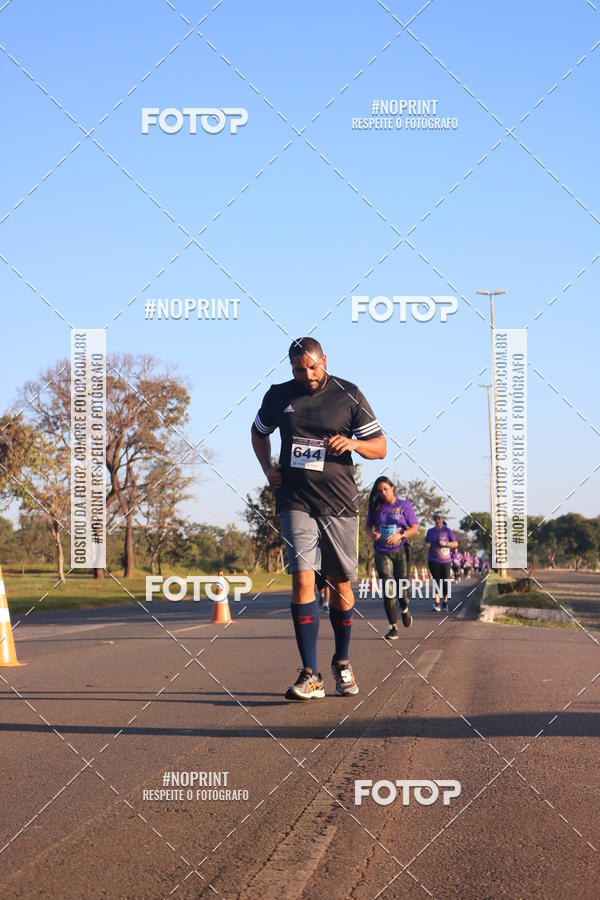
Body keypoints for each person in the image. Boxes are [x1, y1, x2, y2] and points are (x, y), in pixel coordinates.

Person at [251, 337, 386, 701]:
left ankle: (342, 662)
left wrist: (353, 444)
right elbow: (258, 432)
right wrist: (268, 469)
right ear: (291, 367)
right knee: (302, 580)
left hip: (339, 503)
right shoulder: (279, 395)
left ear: (324, 360)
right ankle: (310, 674)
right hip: (295, 500)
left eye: (312, 367)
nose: (307, 375)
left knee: (342, 586)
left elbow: (380, 447)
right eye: (299, 369)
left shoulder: (349, 393)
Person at [366, 476, 419, 640]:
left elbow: (415, 528)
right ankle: (393, 627)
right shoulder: (376, 508)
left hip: (400, 550)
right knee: (388, 588)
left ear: (392, 487)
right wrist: (373, 534)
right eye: (379, 491)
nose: (383, 493)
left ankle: (404, 608)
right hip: (382, 551)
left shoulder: (404, 505)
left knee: (402, 588)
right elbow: (369, 526)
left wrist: (401, 534)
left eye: (385, 489)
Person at [425, 514, 457, 612]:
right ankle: (437, 603)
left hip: (446, 561)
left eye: (439, 518)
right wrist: (427, 544)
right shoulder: (430, 531)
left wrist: (446, 544)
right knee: (437, 581)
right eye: (435, 519)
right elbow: (426, 541)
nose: (437, 520)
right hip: (433, 560)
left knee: (446, 582)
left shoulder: (448, 531)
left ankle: (445, 602)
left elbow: (455, 543)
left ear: (442, 519)